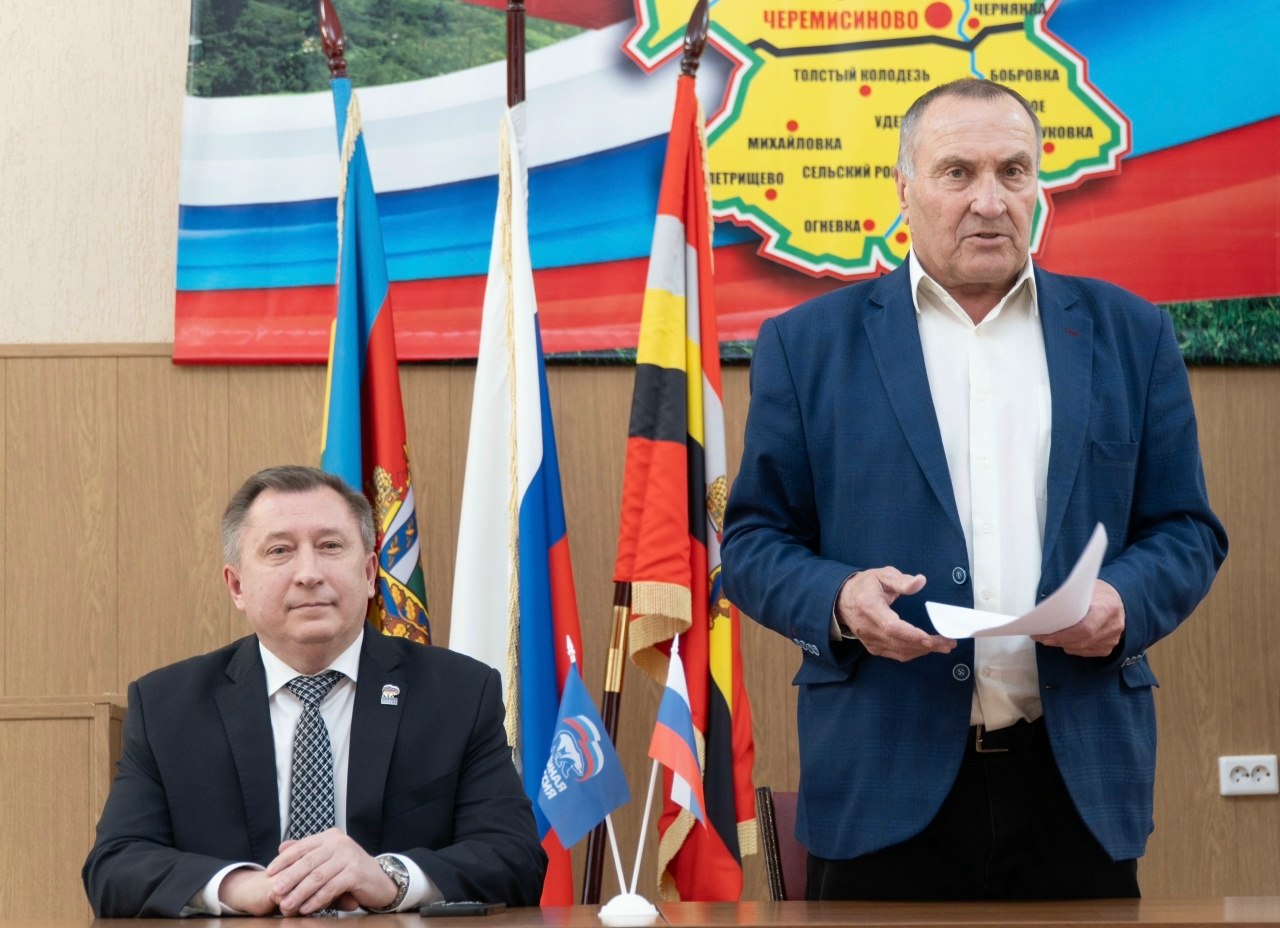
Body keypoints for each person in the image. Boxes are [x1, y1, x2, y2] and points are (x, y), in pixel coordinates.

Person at [721, 78, 1227, 901]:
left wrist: (1123, 602)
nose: (990, 202)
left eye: (1013, 172)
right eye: (957, 172)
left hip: (1076, 785)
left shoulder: (1130, 333)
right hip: (882, 779)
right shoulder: (806, 345)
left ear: (1038, 185)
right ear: (904, 187)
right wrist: (840, 599)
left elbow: (1186, 529)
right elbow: (752, 541)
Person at [83, 465, 546, 917]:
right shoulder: (167, 707)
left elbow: (516, 857)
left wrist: (389, 879)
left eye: (330, 546)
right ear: (237, 585)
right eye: (280, 551)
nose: (308, 573)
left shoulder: (459, 695)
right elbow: (114, 866)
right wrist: (240, 887)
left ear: (369, 573)